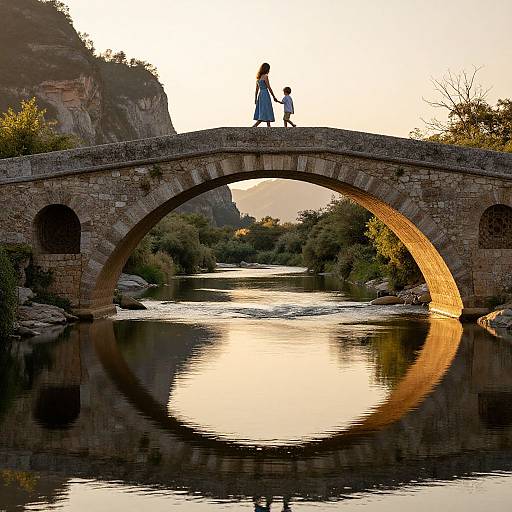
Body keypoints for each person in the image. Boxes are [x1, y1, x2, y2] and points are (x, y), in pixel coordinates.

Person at [253, 62, 278, 127]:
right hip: (265, 94)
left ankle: (268, 126)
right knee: (266, 108)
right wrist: (274, 97)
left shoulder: (258, 78)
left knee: (265, 108)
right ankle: (255, 125)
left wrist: (255, 98)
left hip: (260, 95)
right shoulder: (265, 77)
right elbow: (269, 87)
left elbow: (256, 90)